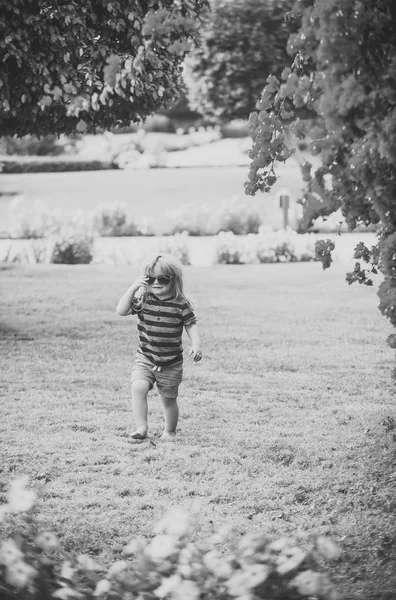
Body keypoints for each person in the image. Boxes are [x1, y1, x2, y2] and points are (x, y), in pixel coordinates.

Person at [116, 254, 202, 442]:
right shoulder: (144, 300)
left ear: (174, 280)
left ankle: (169, 431)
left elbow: (191, 324)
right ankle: (141, 427)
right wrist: (133, 288)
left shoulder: (181, 304)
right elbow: (121, 310)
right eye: (151, 278)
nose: (156, 283)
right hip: (146, 357)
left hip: (170, 362)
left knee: (168, 399)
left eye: (163, 279)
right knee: (138, 387)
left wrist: (195, 344)